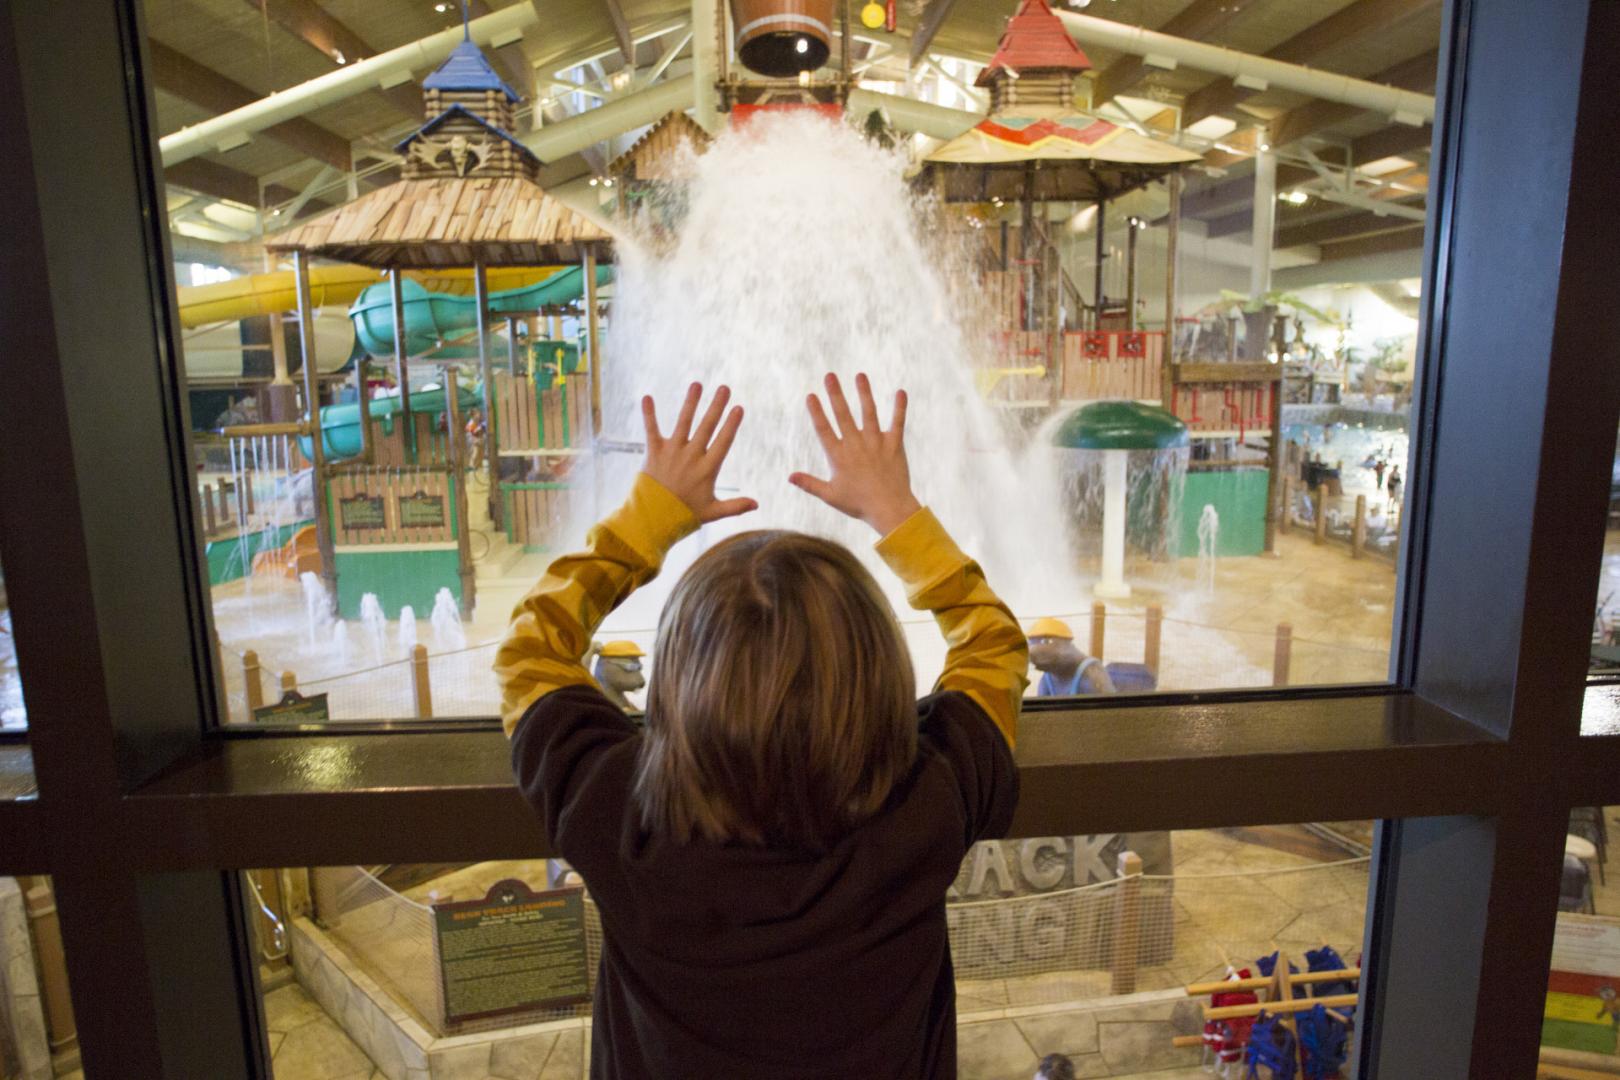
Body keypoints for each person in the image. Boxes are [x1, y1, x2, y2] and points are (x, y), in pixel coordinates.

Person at [495, 374, 1027, 1079]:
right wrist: (895, 512)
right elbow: (993, 647)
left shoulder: (619, 814)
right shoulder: (926, 807)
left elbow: (529, 650)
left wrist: (650, 515)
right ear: (879, 677)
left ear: (679, 683)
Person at [1028, 617, 1116, 695]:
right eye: (1031, 642)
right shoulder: (1048, 677)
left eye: (1045, 641)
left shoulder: (1091, 671)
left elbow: (1106, 704)